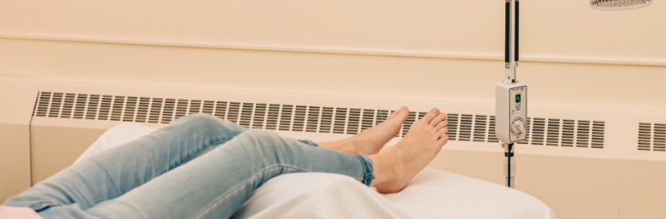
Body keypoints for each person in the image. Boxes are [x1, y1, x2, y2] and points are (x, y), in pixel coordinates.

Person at [0, 107, 447, 219]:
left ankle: (336, 153)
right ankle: (383, 170)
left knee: (200, 129)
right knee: (258, 151)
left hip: (27, 208)